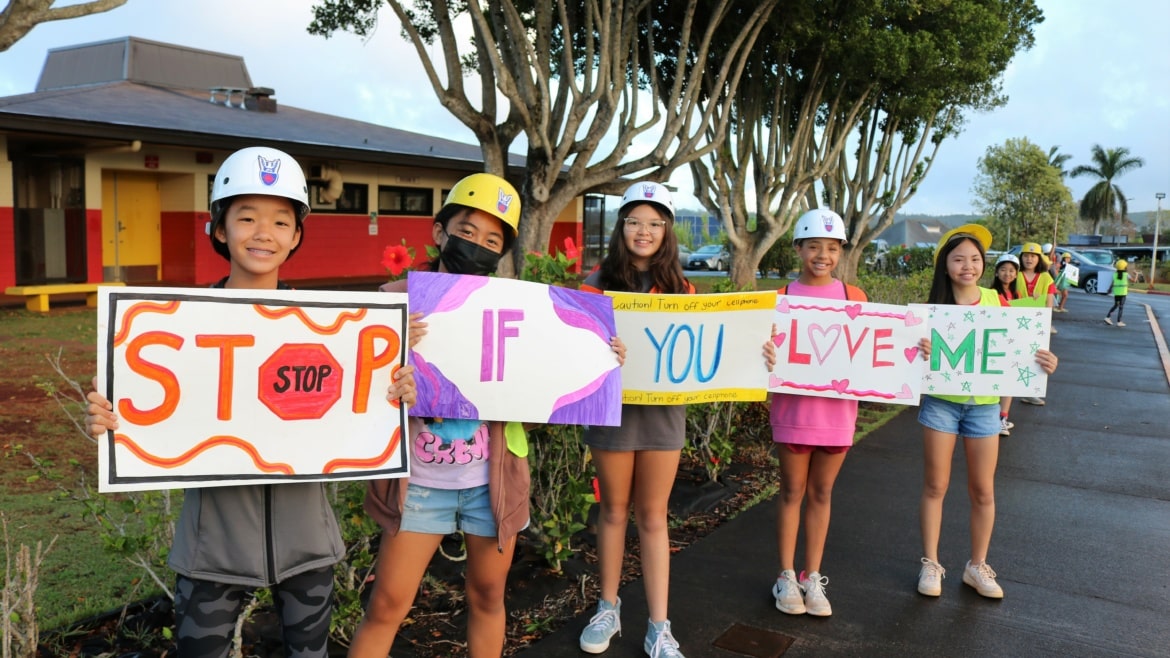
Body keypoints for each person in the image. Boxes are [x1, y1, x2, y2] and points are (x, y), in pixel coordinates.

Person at [83, 146, 418, 658]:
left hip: (307, 545)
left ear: (296, 236)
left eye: (281, 221)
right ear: (219, 229)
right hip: (211, 549)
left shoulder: (332, 329)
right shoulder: (180, 327)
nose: (264, 233)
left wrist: (393, 392)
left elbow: (363, 403)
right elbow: (153, 413)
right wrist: (113, 418)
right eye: (246, 217)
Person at [349, 173, 611, 658]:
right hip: (419, 484)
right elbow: (356, 394)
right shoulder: (390, 300)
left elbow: (533, 409)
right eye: (467, 232)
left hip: (489, 484)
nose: (478, 246)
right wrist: (388, 344)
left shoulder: (514, 309)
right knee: (387, 604)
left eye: (493, 240)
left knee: (488, 597)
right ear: (439, 231)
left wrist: (597, 356)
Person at [767, 209, 930, 617]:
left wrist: (917, 347)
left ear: (840, 252)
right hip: (793, 412)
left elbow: (880, 347)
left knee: (822, 493)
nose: (823, 255)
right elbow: (760, 350)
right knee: (791, 492)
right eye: (814, 246)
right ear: (798, 248)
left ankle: (812, 575)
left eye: (832, 247)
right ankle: (785, 574)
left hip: (838, 415)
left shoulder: (852, 297)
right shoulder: (779, 298)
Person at [577, 181, 694, 658]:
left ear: (666, 231)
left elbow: (703, 351)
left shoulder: (684, 289)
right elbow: (575, 351)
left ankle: (659, 625)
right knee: (613, 511)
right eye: (634, 221)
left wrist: (756, 352)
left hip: (664, 415)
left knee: (653, 516)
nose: (643, 231)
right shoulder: (595, 282)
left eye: (654, 223)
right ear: (620, 226)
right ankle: (608, 606)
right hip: (612, 412)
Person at [916, 225, 1058, 601]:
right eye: (958, 258)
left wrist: (1045, 360)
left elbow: (1023, 348)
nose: (968, 265)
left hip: (985, 409)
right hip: (941, 404)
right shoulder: (931, 310)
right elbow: (906, 358)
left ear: (984, 265)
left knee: (983, 490)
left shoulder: (998, 302)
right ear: (945, 265)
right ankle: (930, 563)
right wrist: (918, 349)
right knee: (936, 486)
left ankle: (977, 565)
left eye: (975, 259)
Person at [1014, 242, 1055, 406]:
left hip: (1036, 324)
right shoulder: (1014, 274)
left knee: (1034, 358)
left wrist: (1046, 323)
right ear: (1021, 257)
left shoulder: (1046, 278)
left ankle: (1030, 392)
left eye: (1033, 256)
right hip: (1016, 322)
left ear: (1039, 259)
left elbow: (1050, 302)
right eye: (1026, 256)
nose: (1029, 259)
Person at [990, 254, 1022, 436]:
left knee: (1009, 382)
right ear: (996, 272)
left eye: (1011, 270)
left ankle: (1003, 418)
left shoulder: (1018, 295)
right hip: (995, 340)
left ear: (1016, 274)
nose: (1007, 274)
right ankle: (993, 417)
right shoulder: (991, 294)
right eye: (1003, 270)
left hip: (1012, 342)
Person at [1104, 259, 1130, 327]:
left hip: (1117, 293)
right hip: (1123, 293)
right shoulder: (1126, 274)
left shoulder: (1115, 274)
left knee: (1116, 305)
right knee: (1121, 307)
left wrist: (1109, 289)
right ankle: (1119, 321)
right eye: (1126, 266)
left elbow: (1112, 283)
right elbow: (1135, 280)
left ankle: (1108, 317)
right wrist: (1136, 275)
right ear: (1124, 267)